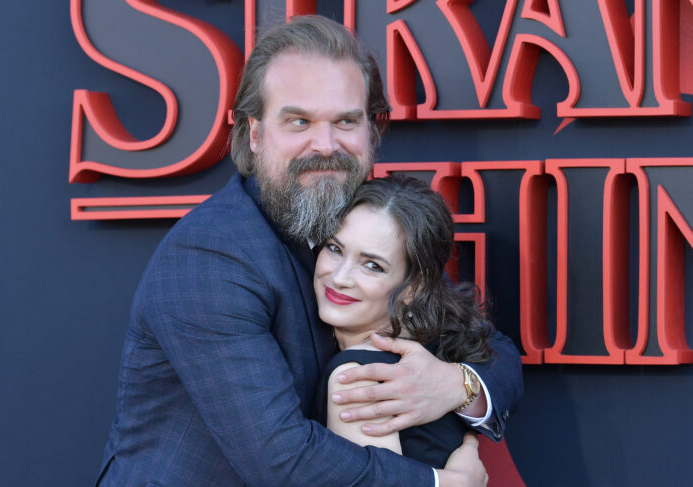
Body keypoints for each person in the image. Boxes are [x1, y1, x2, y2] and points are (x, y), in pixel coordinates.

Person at [96, 15, 521, 487]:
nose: (325, 145)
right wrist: (443, 486)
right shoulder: (209, 258)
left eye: (345, 121)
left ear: (371, 133)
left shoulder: (361, 220)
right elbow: (281, 459)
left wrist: (453, 385)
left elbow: (490, 347)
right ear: (254, 134)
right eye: (299, 120)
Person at [313, 175, 494, 469]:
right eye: (335, 248)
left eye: (373, 266)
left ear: (414, 288)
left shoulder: (359, 378)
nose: (339, 278)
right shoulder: (425, 349)